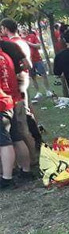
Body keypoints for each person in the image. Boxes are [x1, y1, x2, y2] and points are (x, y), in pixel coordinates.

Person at [1, 18, 38, 165]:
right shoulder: (12, 45)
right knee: (21, 128)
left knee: (13, 132)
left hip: (8, 93)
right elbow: (28, 64)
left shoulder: (10, 46)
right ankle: (32, 160)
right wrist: (16, 72)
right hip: (17, 88)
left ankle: (16, 165)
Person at [0, 46, 17, 188]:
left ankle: (7, 177)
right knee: (15, 138)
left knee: (4, 141)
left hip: (2, 103)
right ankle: (22, 170)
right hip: (8, 99)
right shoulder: (4, 56)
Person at [22, 27, 53, 96]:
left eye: (24, 29)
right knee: (33, 77)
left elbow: (38, 46)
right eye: (22, 29)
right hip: (29, 61)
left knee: (43, 74)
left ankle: (48, 90)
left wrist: (29, 43)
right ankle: (38, 92)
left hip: (37, 59)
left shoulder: (32, 36)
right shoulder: (20, 39)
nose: (24, 31)